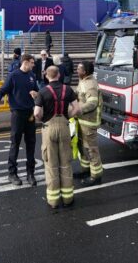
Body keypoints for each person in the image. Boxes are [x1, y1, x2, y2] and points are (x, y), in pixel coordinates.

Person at [34, 66, 81, 209]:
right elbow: (77, 109)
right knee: (65, 163)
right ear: (59, 75)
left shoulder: (42, 92)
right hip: (64, 126)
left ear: (47, 76)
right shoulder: (68, 90)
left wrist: (43, 120)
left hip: (49, 128)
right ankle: (68, 199)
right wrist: (68, 117)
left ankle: (53, 201)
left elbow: (36, 113)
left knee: (51, 164)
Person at [0, 53, 39, 186]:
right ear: (25, 62)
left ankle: (30, 173)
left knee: (31, 143)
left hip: (30, 113)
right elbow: (2, 90)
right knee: (15, 143)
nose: (33, 64)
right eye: (32, 62)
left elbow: (37, 91)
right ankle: (12, 173)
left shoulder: (32, 76)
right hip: (17, 113)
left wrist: (36, 94)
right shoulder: (13, 75)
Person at [74, 61, 103, 186]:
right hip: (82, 120)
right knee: (82, 147)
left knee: (91, 150)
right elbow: (80, 96)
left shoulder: (90, 84)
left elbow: (92, 103)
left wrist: (78, 110)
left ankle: (96, 176)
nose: (76, 70)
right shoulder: (83, 81)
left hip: (89, 122)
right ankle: (85, 170)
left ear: (84, 71)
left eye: (79, 69)